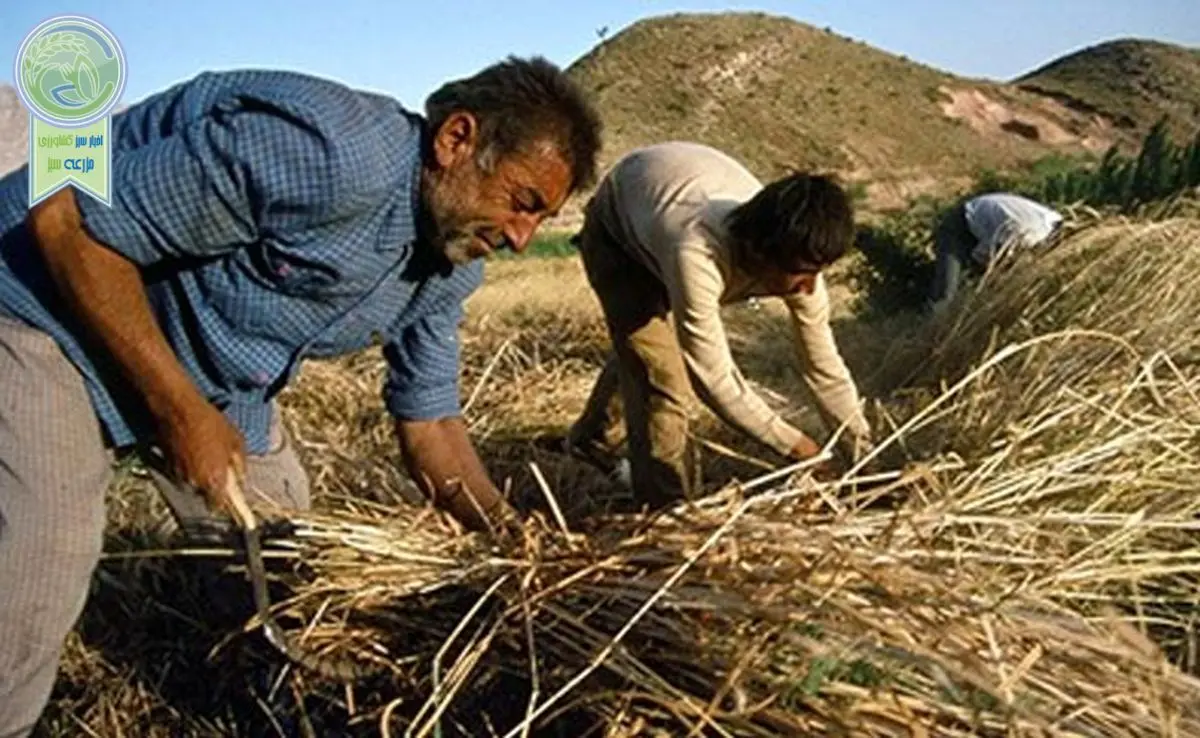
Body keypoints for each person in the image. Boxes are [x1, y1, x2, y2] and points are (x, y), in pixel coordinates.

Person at [0, 57, 601, 736]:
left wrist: (522, 545)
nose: (522, 239)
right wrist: (178, 410)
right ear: (456, 139)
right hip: (46, 304)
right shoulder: (328, 154)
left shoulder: (450, 269)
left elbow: (431, 424)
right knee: (42, 560)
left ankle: (255, 698)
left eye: (541, 218)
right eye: (523, 203)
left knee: (283, 556)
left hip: (210, 362)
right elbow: (67, 222)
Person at [557, 141, 873, 508]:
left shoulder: (797, 250)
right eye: (801, 275)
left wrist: (862, 456)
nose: (809, 288)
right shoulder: (697, 252)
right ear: (760, 254)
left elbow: (824, 369)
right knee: (662, 376)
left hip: (663, 212)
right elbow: (714, 381)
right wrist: (799, 449)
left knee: (647, 348)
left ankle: (590, 438)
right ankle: (665, 513)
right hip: (618, 237)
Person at [927, 192, 1064, 311]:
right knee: (947, 291)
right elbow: (986, 258)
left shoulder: (1053, 219)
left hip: (988, 216)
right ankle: (931, 332)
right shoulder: (1027, 233)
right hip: (960, 224)